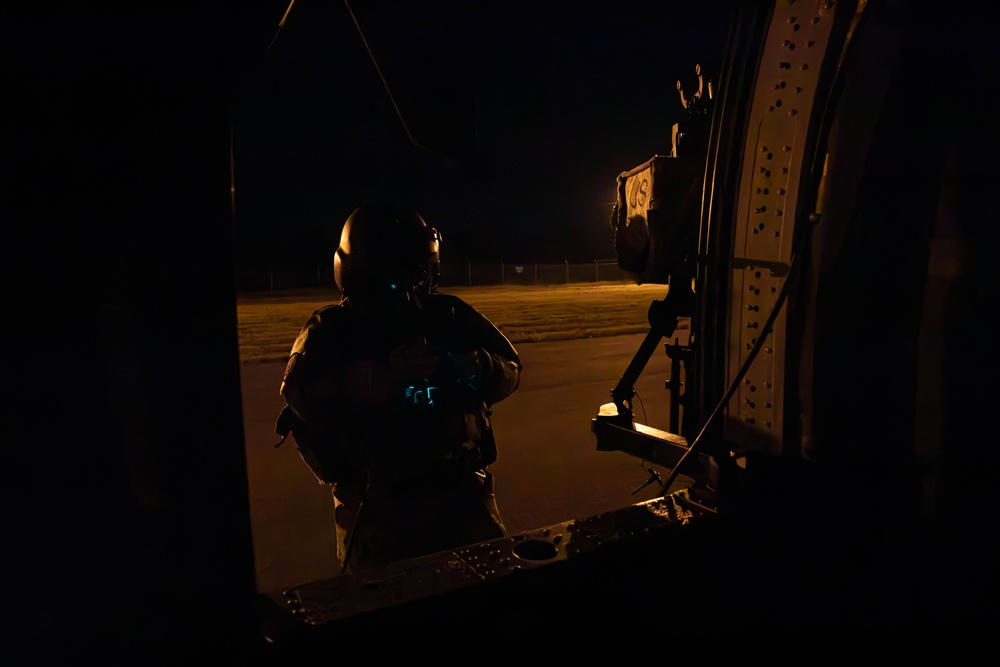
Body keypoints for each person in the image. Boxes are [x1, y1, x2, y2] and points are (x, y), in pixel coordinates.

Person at [274, 201, 522, 573]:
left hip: (460, 493)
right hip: (377, 503)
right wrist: (381, 378)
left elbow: (511, 369)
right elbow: (300, 395)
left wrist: (474, 367)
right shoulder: (333, 328)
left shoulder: (448, 314)